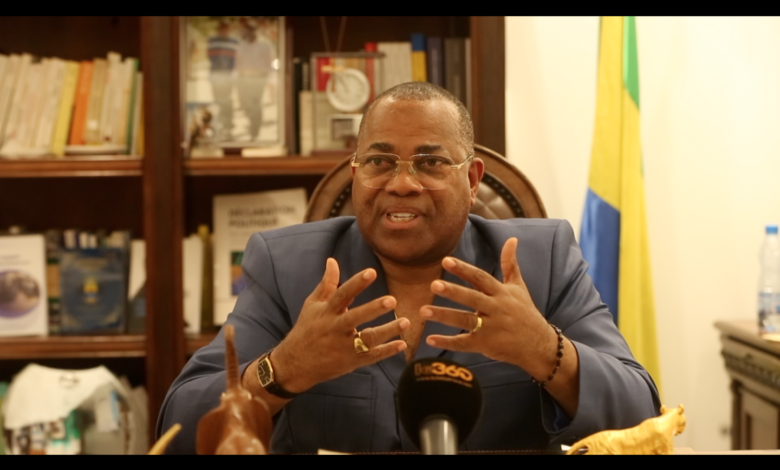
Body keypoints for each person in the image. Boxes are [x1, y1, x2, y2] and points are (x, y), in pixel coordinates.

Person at [158, 82, 661, 454]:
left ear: (472, 179)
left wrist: (546, 351)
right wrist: (283, 369)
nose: (402, 184)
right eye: (380, 162)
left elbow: (641, 415)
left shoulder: (541, 260)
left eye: (430, 162)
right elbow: (177, 429)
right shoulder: (287, 267)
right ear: (356, 174)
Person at [235, 18, 276, 141]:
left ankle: (254, 131)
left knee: (255, 103)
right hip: (243, 78)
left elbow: (270, 62)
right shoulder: (241, 45)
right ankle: (252, 121)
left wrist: (271, 81)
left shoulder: (265, 45)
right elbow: (237, 62)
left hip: (259, 78)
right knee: (245, 104)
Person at [207, 21, 238, 140]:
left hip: (228, 75)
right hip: (216, 75)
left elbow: (236, 58)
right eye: (221, 30)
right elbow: (210, 56)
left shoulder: (234, 42)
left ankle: (228, 125)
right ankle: (219, 124)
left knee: (227, 100)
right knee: (218, 100)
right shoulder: (212, 41)